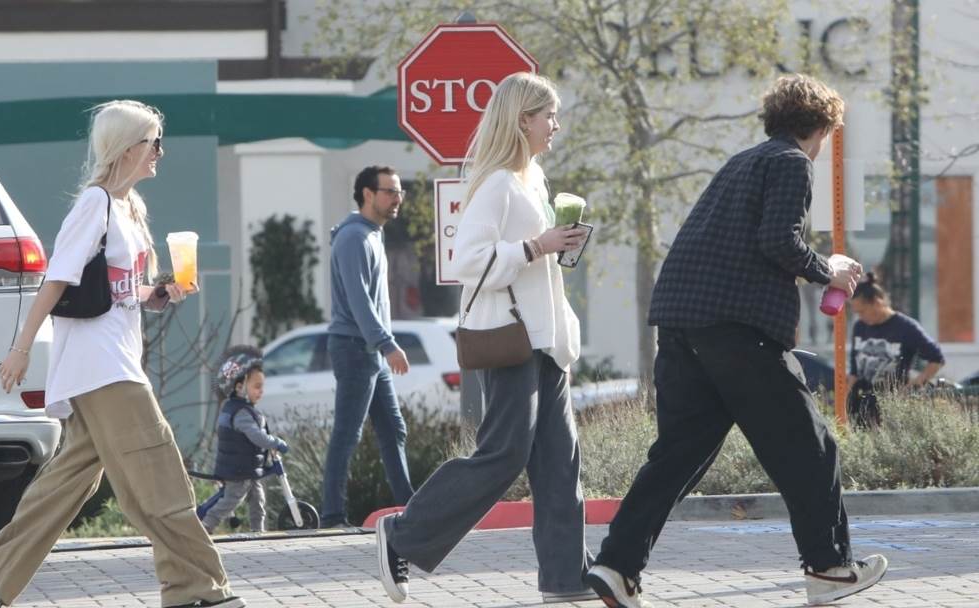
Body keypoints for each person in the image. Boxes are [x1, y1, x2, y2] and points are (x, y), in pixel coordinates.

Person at [585, 74, 888, 608]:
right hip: (738, 333)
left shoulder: (742, 162)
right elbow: (778, 241)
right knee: (810, 449)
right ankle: (829, 568)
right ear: (821, 127)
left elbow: (748, 241)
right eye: (830, 132)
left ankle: (615, 565)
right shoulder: (793, 162)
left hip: (680, 323)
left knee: (677, 455)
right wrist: (829, 272)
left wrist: (818, 267)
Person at [0, 101, 244, 608]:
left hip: (110, 361)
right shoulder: (95, 204)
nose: (160, 151)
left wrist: (159, 294)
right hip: (104, 368)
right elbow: (58, 278)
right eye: (153, 141)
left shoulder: (129, 207)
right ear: (127, 147)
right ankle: (198, 590)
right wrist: (21, 348)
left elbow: (116, 292)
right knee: (160, 478)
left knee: (71, 483)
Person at [374, 72, 593, 605]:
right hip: (511, 341)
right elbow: (466, 262)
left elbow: (531, 260)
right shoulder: (496, 182)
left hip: (546, 342)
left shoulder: (532, 180)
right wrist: (535, 246)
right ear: (523, 120)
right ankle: (402, 535)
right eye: (549, 117)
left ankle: (568, 580)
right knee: (504, 454)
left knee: (560, 465)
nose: (556, 127)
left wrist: (556, 246)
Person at [321, 165, 415, 528]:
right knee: (348, 432)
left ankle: (411, 508)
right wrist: (386, 344)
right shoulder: (354, 239)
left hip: (368, 350)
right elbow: (360, 302)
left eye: (399, 192)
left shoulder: (371, 235)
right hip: (355, 348)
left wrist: (381, 346)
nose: (397, 198)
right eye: (389, 191)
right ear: (367, 194)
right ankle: (332, 516)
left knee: (393, 428)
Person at [201, 346, 290, 534]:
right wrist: (275, 442)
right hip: (238, 470)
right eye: (257, 387)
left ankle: (258, 531)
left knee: (258, 500)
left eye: (262, 387)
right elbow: (256, 436)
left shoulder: (241, 409)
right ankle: (206, 525)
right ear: (240, 387)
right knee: (231, 500)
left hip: (248, 469)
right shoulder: (241, 413)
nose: (261, 391)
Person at [847, 273, 945, 425]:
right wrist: (847, 401)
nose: (860, 317)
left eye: (862, 311)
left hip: (892, 406)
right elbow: (854, 369)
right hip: (862, 404)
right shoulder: (859, 327)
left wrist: (914, 385)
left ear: (877, 303)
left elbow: (936, 358)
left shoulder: (906, 327)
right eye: (857, 313)